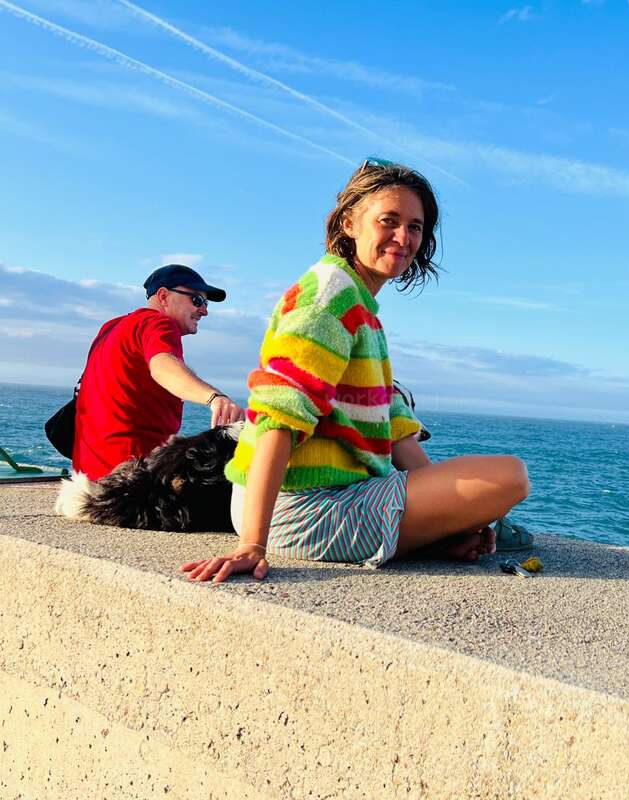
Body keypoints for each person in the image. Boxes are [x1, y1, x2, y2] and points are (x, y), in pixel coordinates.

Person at [182, 161, 529, 583]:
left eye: (415, 227)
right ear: (349, 222)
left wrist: (450, 519)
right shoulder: (328, 294)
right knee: (510, 476)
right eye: (389, 221)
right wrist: (252, 545)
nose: (404, 237)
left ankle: (435, 539)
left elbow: (396, 433)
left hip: (334, 500)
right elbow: (279, 414)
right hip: (305, 510)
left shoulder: (362, 308)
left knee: (492, 489)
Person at [72, 264, 244, 480]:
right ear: (163, 296)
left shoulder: (111, 327)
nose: (204, 310)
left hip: (87, 478)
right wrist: (215, 398)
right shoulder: (158, 323)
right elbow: (163, 367)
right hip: (130, 479)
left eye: (206, 303)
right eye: (197, 300)